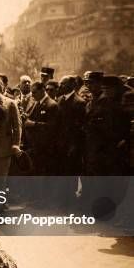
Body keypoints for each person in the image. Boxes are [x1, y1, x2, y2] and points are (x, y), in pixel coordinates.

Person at [55, 75, 86, 207]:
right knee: (61, 170)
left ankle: (71, 201)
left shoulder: (79, 102)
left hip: (72, 144)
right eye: (61, 84)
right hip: (60, 143)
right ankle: (62, 199)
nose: (61, 86)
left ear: (72, 85)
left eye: (64, 84)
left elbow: (79, 127)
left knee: (71, 171)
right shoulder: (60, 100)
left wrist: (74, 145)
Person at [0, 77, 21, 189]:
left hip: (4, 146)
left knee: (1, 178)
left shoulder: (10, 103)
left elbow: (17, 126)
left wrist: (16, 144)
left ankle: (0, 203)